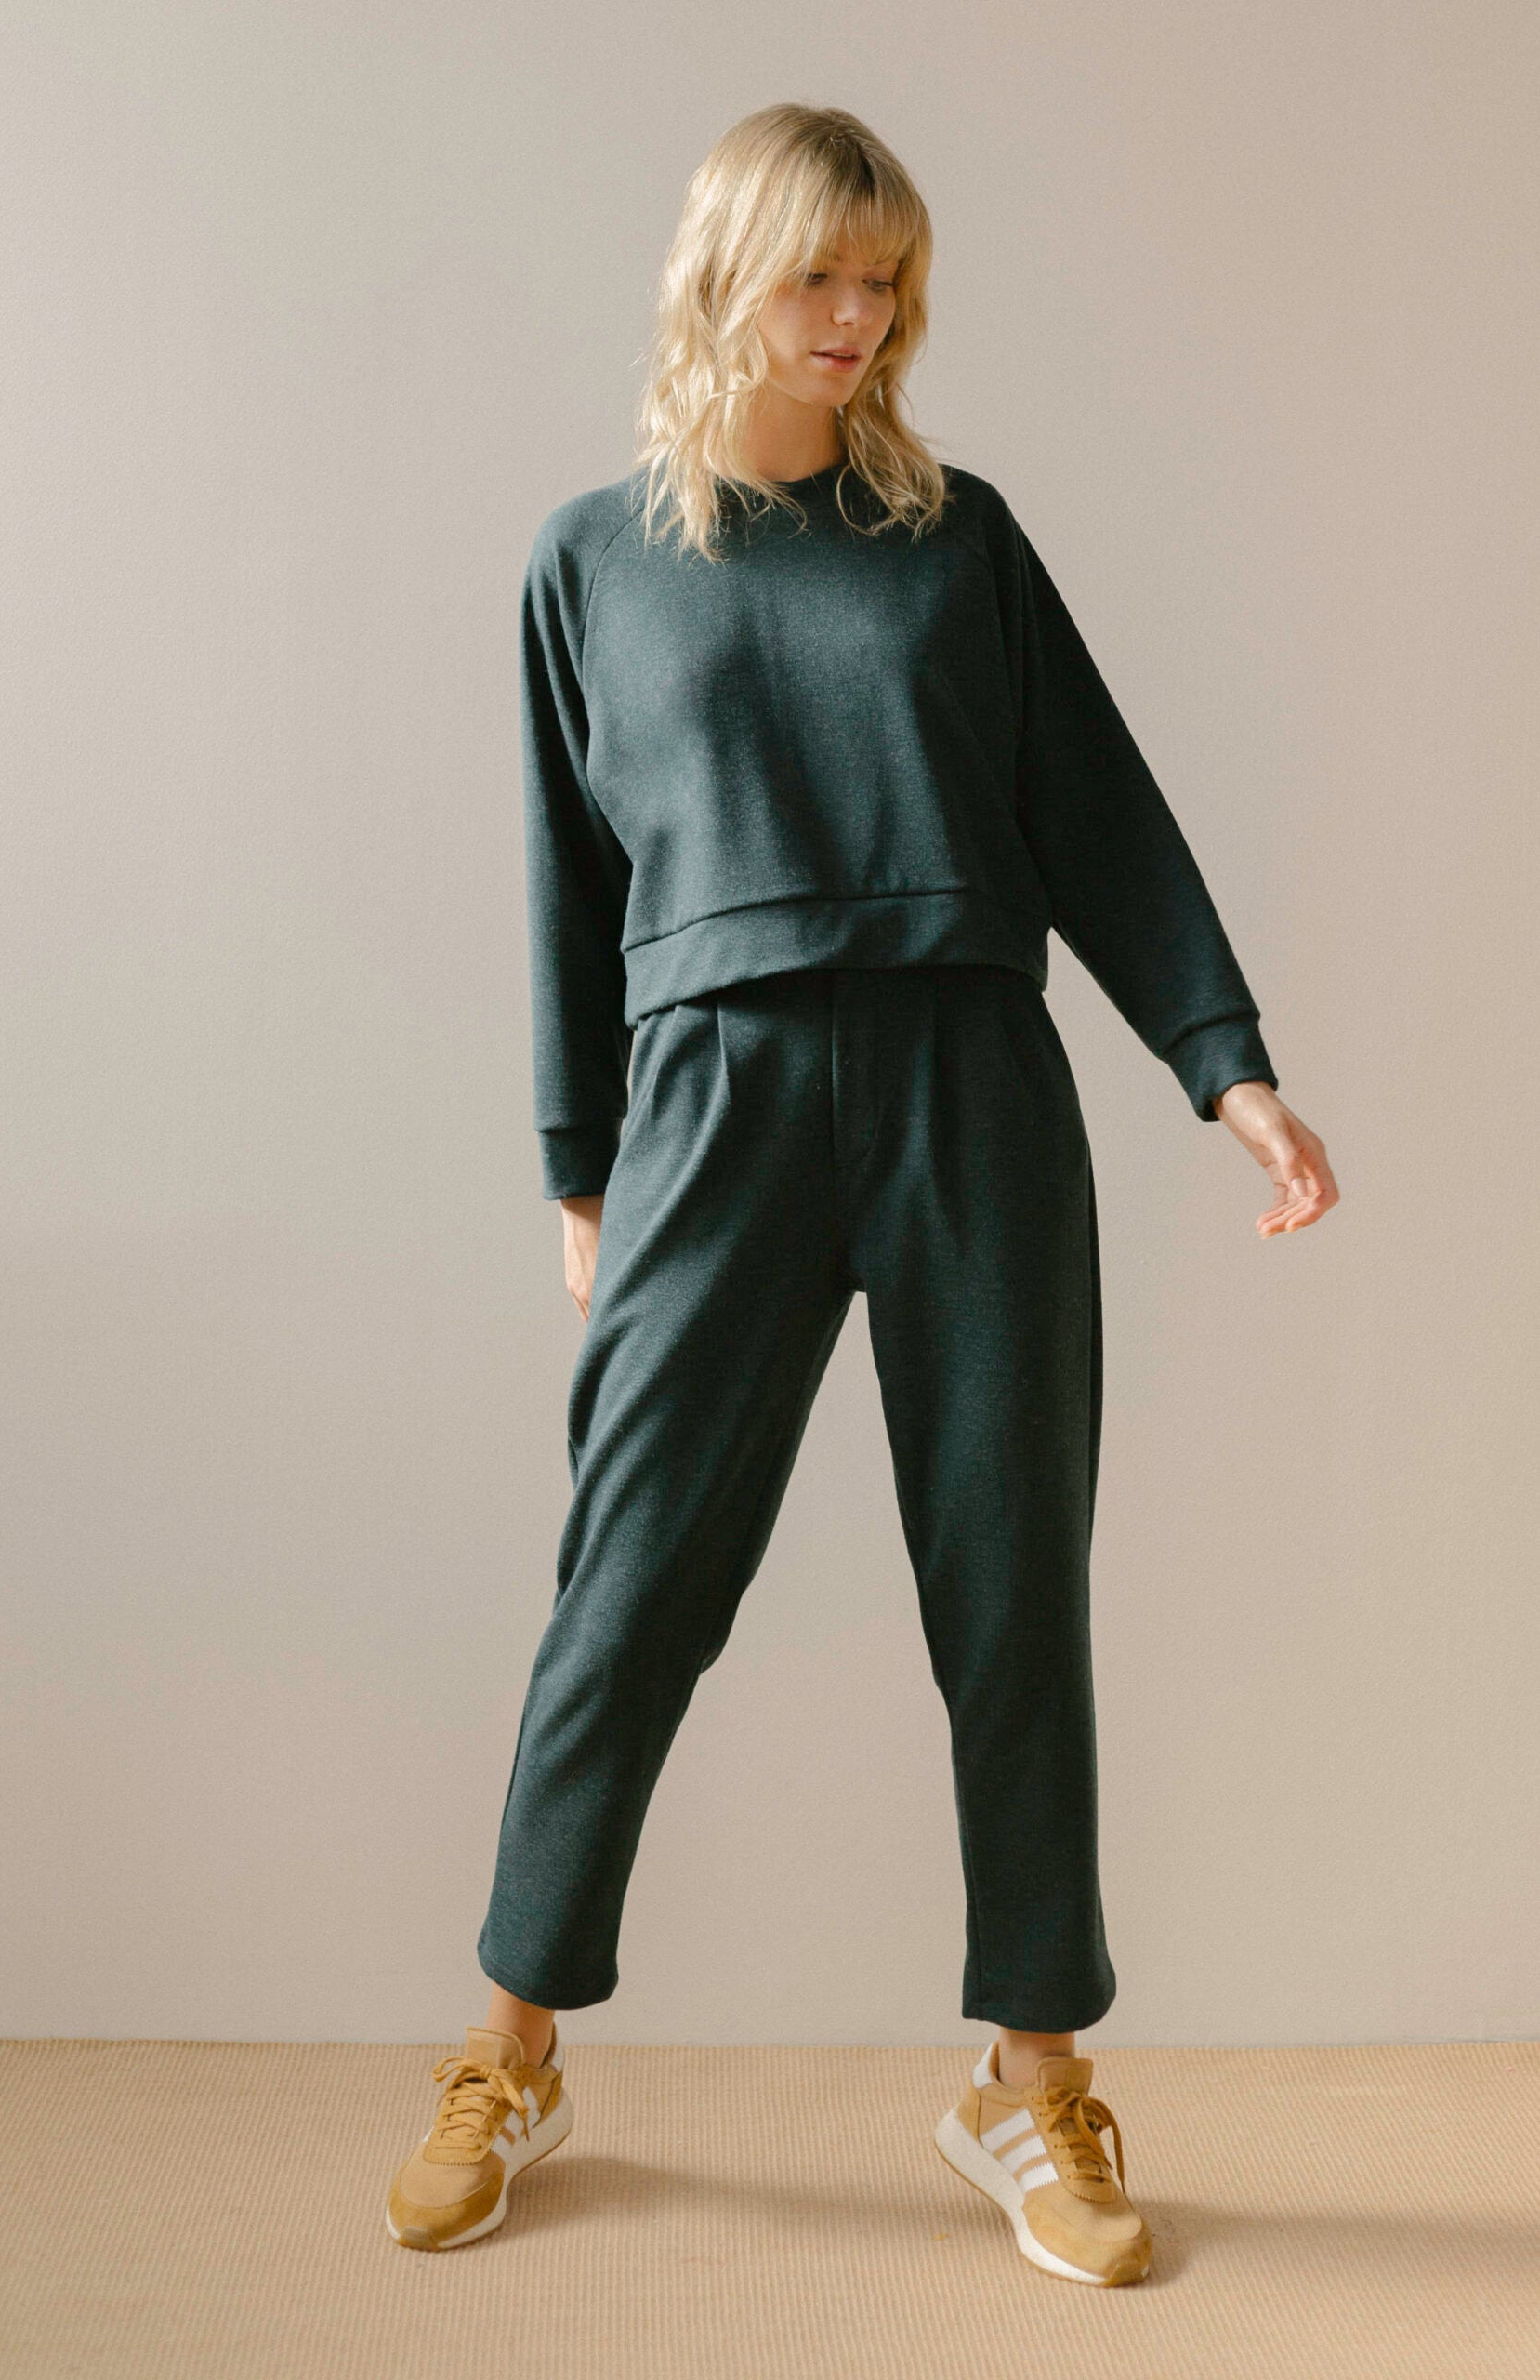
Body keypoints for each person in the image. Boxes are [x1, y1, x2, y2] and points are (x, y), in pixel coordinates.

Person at [386, 101, 1338, 2281]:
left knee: (1009, 1587)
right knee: (628, 1587)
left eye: (885, 280)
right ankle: (509, 2047)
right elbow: (561, 891)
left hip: (962, 1085)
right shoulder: (587, 562)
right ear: (726, 270)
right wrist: (574, 1171)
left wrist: (1225, 1065)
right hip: (707, 1100)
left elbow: (1094, 810)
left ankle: (1031, 2078)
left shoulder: (954, 540)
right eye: (821, 274)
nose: (857, 317)